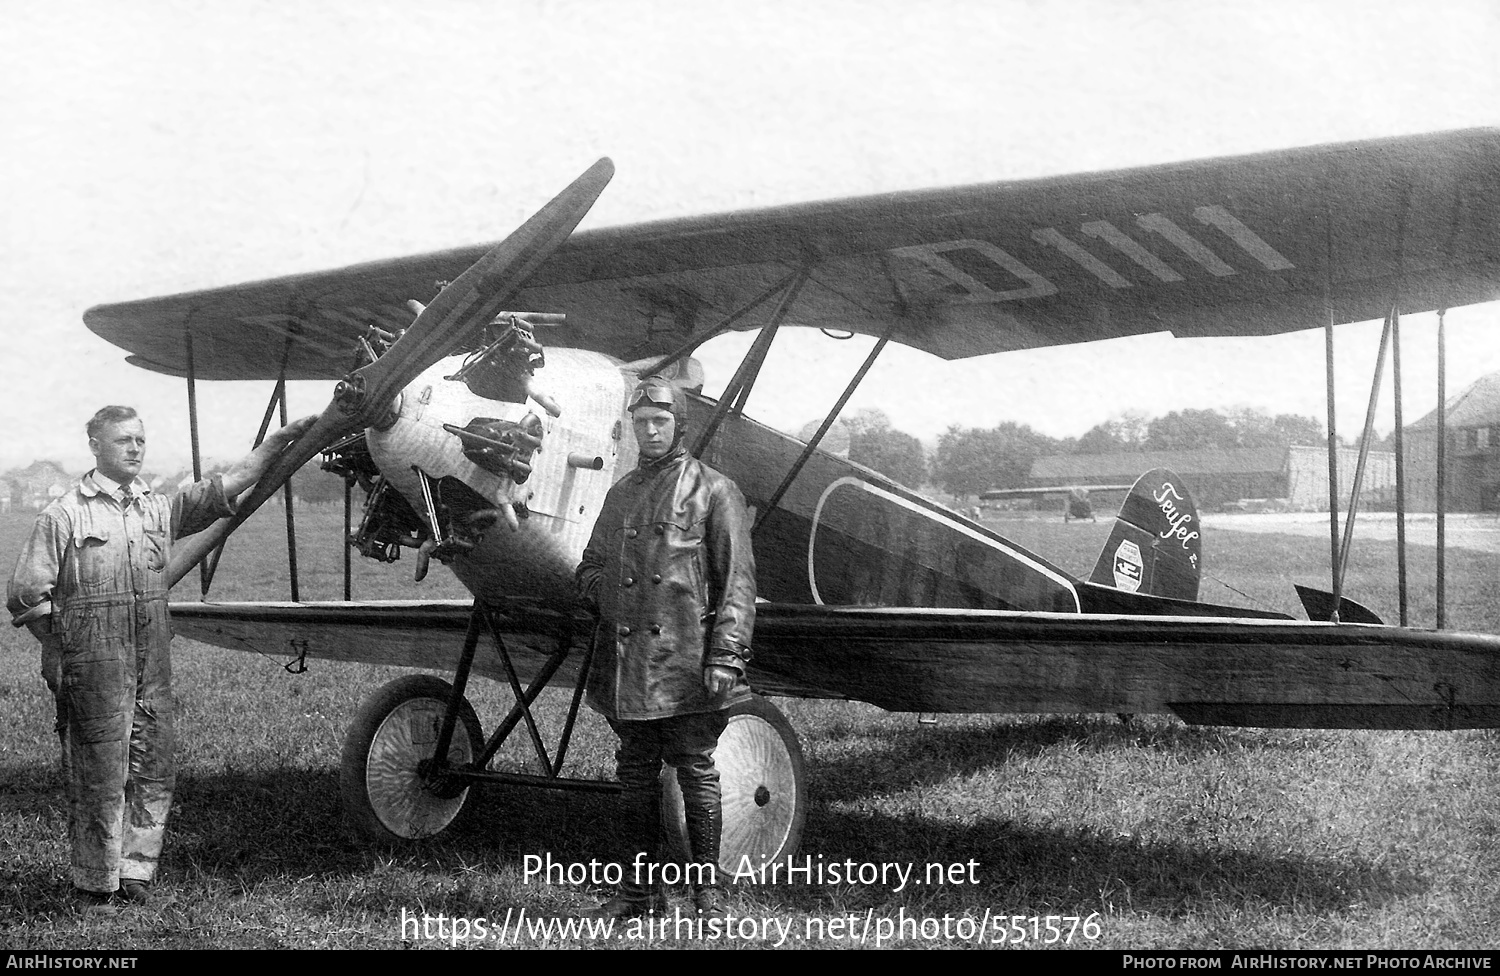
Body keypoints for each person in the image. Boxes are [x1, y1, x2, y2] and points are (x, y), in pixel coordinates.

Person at [7, 405, 314, 911]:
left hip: (152, 655)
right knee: (100, 771)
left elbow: (231, 483)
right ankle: (95, 885)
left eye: (141, 440)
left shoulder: (156, 508)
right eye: (124, 440)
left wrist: (283, 437)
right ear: (96, 447)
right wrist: (58, 650)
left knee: (153, 766)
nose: (134, 449)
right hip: (94, 658)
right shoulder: (64, 514)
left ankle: (136, 873)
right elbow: (27, 595)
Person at [574, 377, 756, 918]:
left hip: (688, 661)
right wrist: (615, 596)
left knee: (697, 770)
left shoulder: (716, 490)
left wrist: (727, 655)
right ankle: (637, 894)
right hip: (628, 662)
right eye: (640, 423)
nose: (650, 431)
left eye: (660, 421)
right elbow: (589, 568)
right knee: (633, 775)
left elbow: (737, 584)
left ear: (680, 424)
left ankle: (708, 896)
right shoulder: (621, 492)